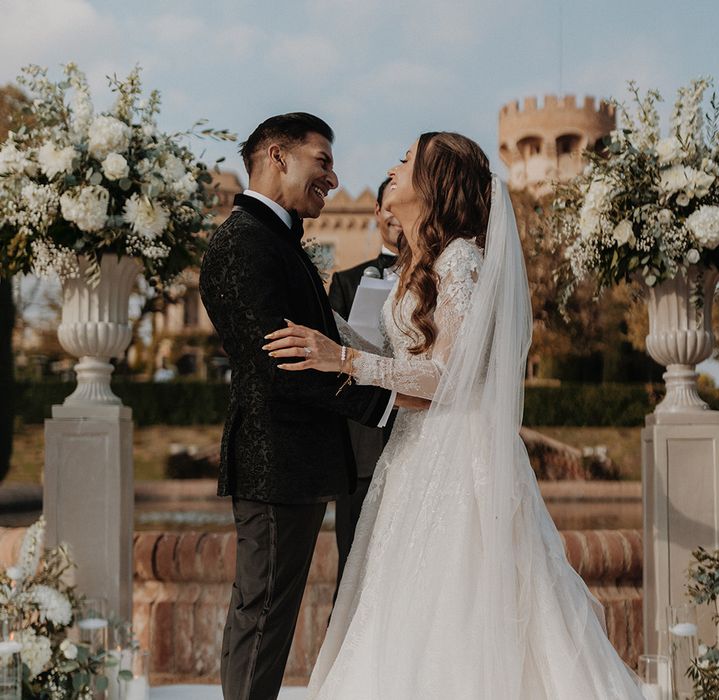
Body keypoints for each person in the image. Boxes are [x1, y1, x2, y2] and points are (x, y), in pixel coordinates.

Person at [262, 132, 644, 698]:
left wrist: (341, 358)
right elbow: (402, 364)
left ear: (434, 183)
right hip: (412, 453)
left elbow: (448, 380)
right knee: (399, 605)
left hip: (457, 456)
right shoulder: (424, 261)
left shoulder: (461, 259)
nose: (395, 166)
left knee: (458, 604)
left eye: (408, 159)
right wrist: (324, 323)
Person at [199, 112, 419, 700]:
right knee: (263, 615)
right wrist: (389, 402)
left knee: (267, 614)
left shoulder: (275, 239)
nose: (332, 175)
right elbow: (284, 366)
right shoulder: (246, 243)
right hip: (276, 463)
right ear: (278, 156)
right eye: (322, 161)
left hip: (292, 463)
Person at [327, 178, 400, 587]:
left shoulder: (439, 281)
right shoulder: (345, 282)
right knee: (354, 571)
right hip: (362, 449)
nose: (395, 216)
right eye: (387, 207)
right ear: (376, 213)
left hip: (420, 438)